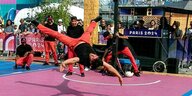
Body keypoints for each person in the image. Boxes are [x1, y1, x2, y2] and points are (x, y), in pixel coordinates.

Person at [31, 16, 123, 85]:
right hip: (84, 40)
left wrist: (64, 63)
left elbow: (73, 60)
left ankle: (37, 25)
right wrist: (118, 75)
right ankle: (94, 21)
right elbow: (110, 67)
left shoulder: (84, 59)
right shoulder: (98, 60)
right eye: (95, 56)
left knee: (56, 34)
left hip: (73, 43)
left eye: (93, 57)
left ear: (90, 60)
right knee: (88, 31)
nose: (93, 55)